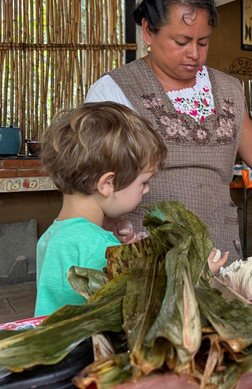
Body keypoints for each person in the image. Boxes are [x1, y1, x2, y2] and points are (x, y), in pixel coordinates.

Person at [86, 0, 252, 261]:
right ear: (148, 32)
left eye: (203, 42)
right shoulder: (115, 90)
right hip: (149, 249)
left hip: (219, 247)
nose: (194, 53)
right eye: (182, 41)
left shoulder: (227, 88)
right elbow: (94, 180)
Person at [34, 102, 230, 317]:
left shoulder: (53, 235)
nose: (146, 190)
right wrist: (196, 276)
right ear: (107, 184)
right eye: (144, 182)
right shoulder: (99, 247)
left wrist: (121, 249)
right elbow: (141, 306)